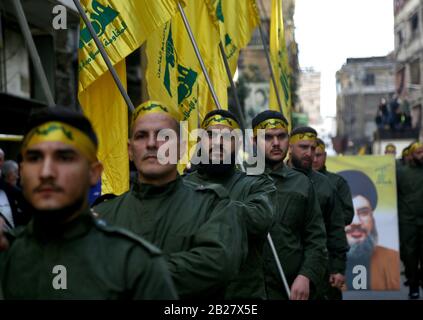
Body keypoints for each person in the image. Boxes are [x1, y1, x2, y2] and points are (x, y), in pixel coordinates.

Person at [0, 107, 177, 299]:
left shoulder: (135, 264)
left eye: (64, 158)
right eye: (35, 158)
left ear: (94, 173)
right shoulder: (8, 254)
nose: (46, 172)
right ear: (22, 171)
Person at [94, 101, 246, 300]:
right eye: (141, 136)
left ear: (182, 148)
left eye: (163, 136)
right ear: (130, 150)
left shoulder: (212, 207)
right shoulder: (103, 215)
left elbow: (218, 263)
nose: (151, 143)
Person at [184, 109, 275, 300]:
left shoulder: (257, 184)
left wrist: (200, 204)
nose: (218, 142)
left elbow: (259, 219)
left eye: (226, 136)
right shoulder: (181, 186)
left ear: (238, 143)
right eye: (210, 135)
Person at [251, 110, 327, 300]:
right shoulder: (240, 180)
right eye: (267, 137)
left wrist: (306, 275)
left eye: (281, 136)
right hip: (247, 291)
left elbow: (316, 238)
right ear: (253, 142)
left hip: (289, 289)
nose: (276, 143)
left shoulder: (302, 184)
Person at [287, 126, 348, 300]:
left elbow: (336, 228)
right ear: (290, 147)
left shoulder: (326, 185)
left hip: (318, 267)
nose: (309, 153)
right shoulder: (276, 180)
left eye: (313, 148)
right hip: (282, 266)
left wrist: (338, 267)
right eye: (303, 147)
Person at [337, 170, 400, 291]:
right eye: (346, 213)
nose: (355, 222)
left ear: (372, 218)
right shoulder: (321, 260)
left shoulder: (391, 258)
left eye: (364, 212)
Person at [396, 141, 423, 298]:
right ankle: (413, 285)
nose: (422, 155)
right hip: (408, 222)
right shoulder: (401, 173)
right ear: (412, 154)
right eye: (419, 152)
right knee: (409, 256)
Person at [313, 138, 354, 226]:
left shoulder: (338, 182)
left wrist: (323, 223)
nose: (315, 160)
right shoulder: (299, 180)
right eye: (312, 155)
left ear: (325, 155)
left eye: (318, 155)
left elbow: (348, 214)